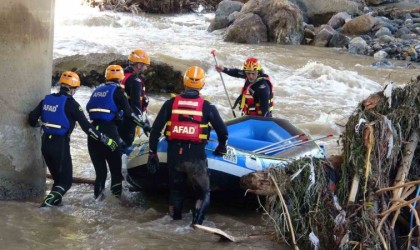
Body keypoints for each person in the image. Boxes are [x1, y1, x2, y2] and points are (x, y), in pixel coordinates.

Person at [147, 66, 229, 226]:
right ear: (202, 85)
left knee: (176, 192)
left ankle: (174, 223)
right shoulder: (207, 106)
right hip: (196, 158)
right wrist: (221, 147)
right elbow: (223, 132)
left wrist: (152, 153)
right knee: (204, 193)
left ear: (184, 83)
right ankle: (196, 225)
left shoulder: (170, 103)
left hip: (174, 157)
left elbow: (155, 131)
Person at [28, 71, 118, 207]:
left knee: (58, 181)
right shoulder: (72, 105)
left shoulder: (46, 100)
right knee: (65, 182)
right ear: (74, 89)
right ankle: (44, 207)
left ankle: (50, 216)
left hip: (46, 143)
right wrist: (105, 140)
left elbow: (31, 119)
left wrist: (42, 124)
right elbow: (87, 128)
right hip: (60, 145)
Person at [86, 65, 148, 199]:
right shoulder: (119, 91)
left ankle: (97, 203)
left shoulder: (97, 90)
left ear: (106, 77)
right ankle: (116, 207)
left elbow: (88, 108)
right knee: (115, 173)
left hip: (93, 135)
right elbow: (129, 114)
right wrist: (144, 126)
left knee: (100, 175)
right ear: (120, 79)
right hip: (109, 133)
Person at [118, 49, 151, 147]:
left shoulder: (120, 76)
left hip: (116, 120)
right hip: (127, 122)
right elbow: (136, 105)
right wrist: (143, 123)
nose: (146, 69)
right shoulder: (135, 81)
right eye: (145, 66)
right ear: (139, 65)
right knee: (125, 149)